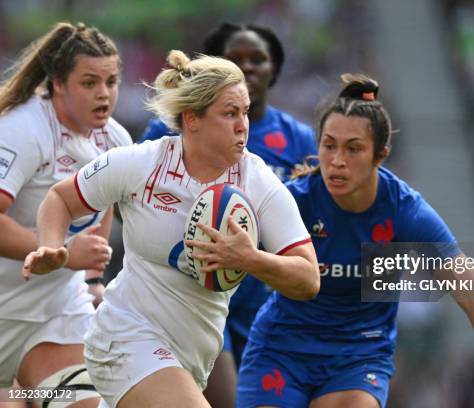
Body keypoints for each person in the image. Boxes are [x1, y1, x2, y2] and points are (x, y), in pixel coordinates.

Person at [22, 50, 320, 408]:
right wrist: (51, 246)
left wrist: (250, 258)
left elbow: (308, 279)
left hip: (191, 358)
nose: (243, 124)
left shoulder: (258, 182)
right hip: (124, 337)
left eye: (244, 111)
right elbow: (61, 198)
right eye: (229, 113)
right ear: (192, 118)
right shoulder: (142, 164)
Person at [237, 74, 474, 407]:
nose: (337, 160)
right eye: (329, 145)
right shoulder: (292, 201)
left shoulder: (405, 211)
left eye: (353, 148)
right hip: (281, 350)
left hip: (357, 356)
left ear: (380, 155)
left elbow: (471, 288)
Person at [138, 22, 317, 406]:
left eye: (259, 59)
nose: (249, 67)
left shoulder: (298, 139)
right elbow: (129, 201)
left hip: (264, 303)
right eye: (237, 59)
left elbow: (313, 220)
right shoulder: (164, 132)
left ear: (275, 69)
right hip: (193, 298)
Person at [0, 22, 131, 407]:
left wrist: (91, 279)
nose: (104, 94)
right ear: (58, 83)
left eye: (112, 81)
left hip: (51, 320)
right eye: (89, 83)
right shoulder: (21, 130)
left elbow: (101, 205)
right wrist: (61, 253)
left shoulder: (116, 141)